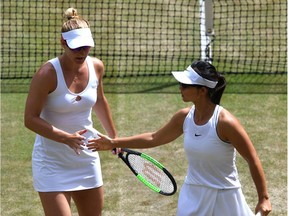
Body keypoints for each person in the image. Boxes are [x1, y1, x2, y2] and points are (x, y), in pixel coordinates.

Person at [87, 60, 272, 216]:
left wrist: (263, 198)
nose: (180, 88)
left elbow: (252, 158)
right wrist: (113, 142)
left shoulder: (226, 123)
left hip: (226, 196)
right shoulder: (184, 117)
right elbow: (153, 138)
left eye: (185, 85)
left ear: (202, 91)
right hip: (193, 194)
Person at [24, 8, 118, 216]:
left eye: (86, 47)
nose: (82, 52)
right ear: (63, 43)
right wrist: (66, 138)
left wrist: (114, 138)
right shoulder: (47, 73)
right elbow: (30, 119)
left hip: (86, 159)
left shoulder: (96, 66)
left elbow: (100, 101)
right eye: (76, 47)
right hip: (51, 162)